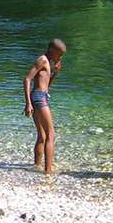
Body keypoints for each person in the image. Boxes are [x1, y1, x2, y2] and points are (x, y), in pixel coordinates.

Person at [23, 39, 66, 174]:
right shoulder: (42, 60)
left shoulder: (48, 63)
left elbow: (47, 85)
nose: (60, 57)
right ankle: (48, 171)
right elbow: (27, 79)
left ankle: (37, 165)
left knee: (42, 135)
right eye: (60, 54)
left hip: (40, 96)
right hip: (38, 98)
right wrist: (28, 103)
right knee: (50, 135)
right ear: (53, 51)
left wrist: (55, 73)